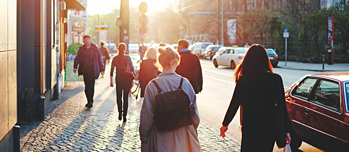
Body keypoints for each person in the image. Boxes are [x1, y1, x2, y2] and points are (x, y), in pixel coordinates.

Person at [219, 44, 291, 152]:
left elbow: (234, 104)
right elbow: (282, 107)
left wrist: (225, 124)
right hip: (269, 128)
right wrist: (287, 130)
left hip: (249, 127)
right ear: (265, 60)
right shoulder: (276, 80)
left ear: (247, 61)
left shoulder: (244, 81)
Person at [139, 47, 201, 152]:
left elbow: (147, 116)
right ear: (174, 62)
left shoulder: (153, 86)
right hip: (183, 137)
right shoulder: (184, 83)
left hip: (160, 137)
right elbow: (194, 113)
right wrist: (192, 129)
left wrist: (144, 138)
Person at [74, 35, 105, 108]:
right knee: (87, 86)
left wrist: (102, 69)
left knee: (91, 86)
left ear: (90, 40)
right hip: (85, 70)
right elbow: (77, 58)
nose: (86, 41)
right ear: (83, 41)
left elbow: (100, 59)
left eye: (88, 39)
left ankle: (90, 101)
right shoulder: (81, 49)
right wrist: (75, 67)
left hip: (93, 69)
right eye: (85, 40)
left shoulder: (95, 49)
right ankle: (89, 99)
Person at [110, 43, 135, 122]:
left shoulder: (115, 59)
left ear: (118, 48)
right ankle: (125, 116)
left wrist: (111, 81)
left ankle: (119, 113)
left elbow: (111, 71)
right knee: (125, 98)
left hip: (119, 80)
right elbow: (132, 69)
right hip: (127, 80)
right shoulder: (128, 58)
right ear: (125, 49)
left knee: (118, 97)